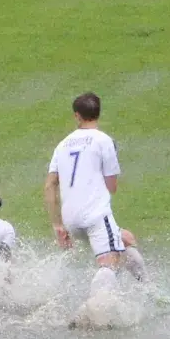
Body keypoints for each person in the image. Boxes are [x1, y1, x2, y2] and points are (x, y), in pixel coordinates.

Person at [43, 92, 149, 299]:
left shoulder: (62, 145)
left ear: (77, 116)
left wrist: (57, 225)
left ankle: (148, 289)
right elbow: (112, 186)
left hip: (71, 219)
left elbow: (49, 186)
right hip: (95, 214)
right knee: (108, 263)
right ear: (99, 113)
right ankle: (94, 310)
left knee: (125, 239)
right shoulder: (103, 140)